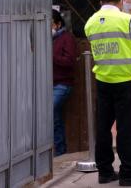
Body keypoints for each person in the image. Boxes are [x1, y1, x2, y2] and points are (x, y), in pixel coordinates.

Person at [84, 0, 131, 186]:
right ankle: (129, 173)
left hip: (104, 81)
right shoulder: (127, 20)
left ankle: (105, 172)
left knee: (103, 128)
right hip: (126, 81)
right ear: (120, 2)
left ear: (101, 3)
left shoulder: (90, 23)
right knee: (127, 128)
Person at [52, 9, 77, 157]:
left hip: (62, 84)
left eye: (50, 24)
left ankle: (60, 151)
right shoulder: (46, 38)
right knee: (54, 117)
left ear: (58, 24)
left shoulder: (67, 38)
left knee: (51, 111)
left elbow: (69, 61)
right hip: (46, 84)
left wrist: (50, 56)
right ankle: (57, 151)